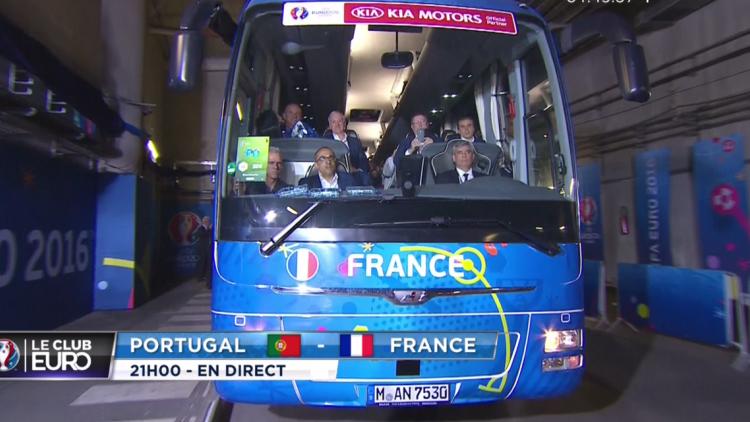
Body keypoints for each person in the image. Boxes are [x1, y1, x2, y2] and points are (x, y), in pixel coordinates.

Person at [324, 110, 371, 185]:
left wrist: (358, 170)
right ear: (330, 125)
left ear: (344, 123)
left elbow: (363, 162)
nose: (337, 124)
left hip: (354, 178)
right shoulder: (325, 141)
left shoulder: (355, 142)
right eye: (334, 122)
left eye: (340, 121)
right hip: (333, 178)